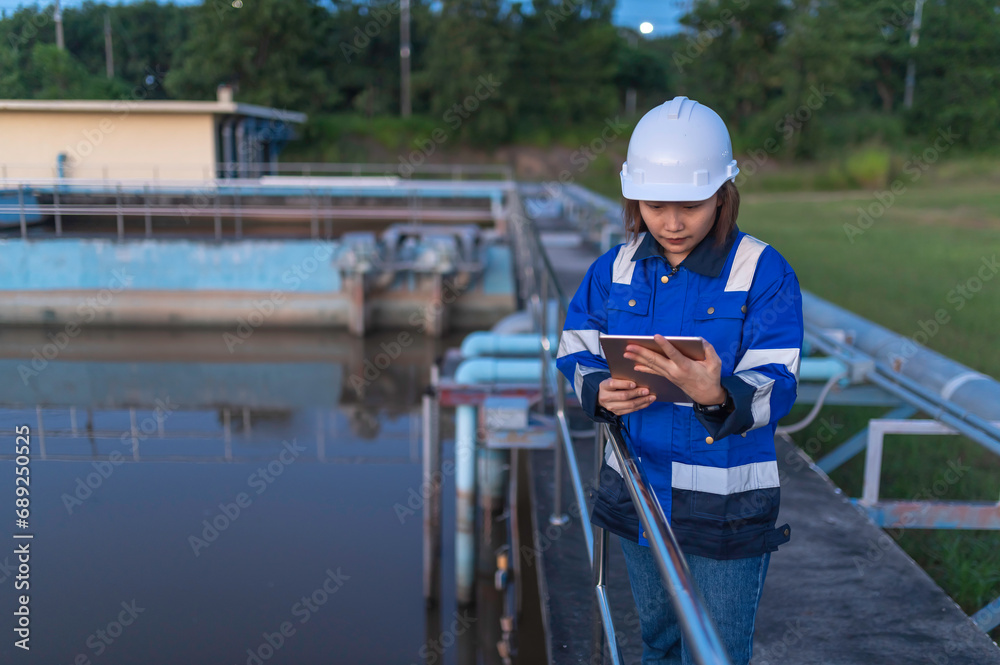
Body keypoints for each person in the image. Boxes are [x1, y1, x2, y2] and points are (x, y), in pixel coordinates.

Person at [555, 96, 803, 665]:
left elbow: (780, 376)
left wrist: (718, 393)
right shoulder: (614, 268)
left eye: (690, 206)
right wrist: (597, 388)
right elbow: (576, 345)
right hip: (638, 489)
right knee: (659, 639)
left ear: (723, 195)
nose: (670, 223)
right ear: (633, 198)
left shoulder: (762, 271)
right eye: (654, 205)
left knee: (715, 651)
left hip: (726, 506)